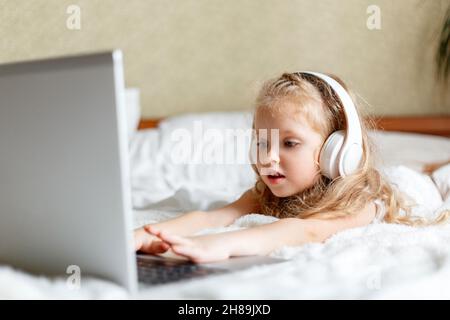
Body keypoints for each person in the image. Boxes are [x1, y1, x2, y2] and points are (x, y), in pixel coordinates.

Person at [134, 71, 449, 263]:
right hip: (406, 175)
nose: (268, 158)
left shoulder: (358, 199)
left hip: (420, 184)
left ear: (335, 151)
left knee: (436, 172)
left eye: (289, 143)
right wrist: (142, 234)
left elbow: (307, 229)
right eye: (262, 140)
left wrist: (221, 244)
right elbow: (215, 215)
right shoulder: (266, 191)